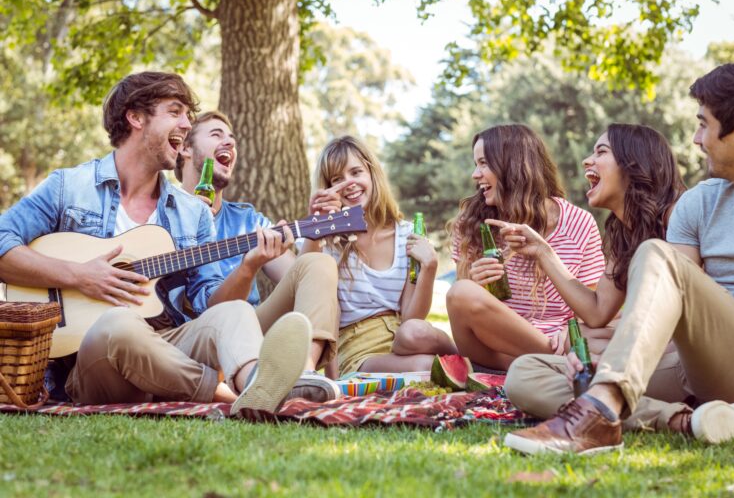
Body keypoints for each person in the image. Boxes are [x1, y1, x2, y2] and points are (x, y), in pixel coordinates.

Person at [0, 72, 313, 418]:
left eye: (188, 116)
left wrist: (248, 267)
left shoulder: (192, 212)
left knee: (234, 311)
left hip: (164, 349)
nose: (186, 124)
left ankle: (257, 381)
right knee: (118, 323)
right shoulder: (70, 187)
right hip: (92, 363)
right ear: (135, 117)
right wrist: (79, 276)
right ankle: (225, 395)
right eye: (175, 111)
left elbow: (209, 303)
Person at [504, 61, 734, 455]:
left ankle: (602, 410)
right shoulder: (699, 204)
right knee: (525, 373)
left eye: (703, 124)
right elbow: (675, 314)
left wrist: (604, 344)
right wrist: (602, 355)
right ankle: (686, 420)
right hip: (697, 373)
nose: (696, 139)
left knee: (654, 253)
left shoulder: (672, 215)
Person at [503, 124, 696, 433]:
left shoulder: (680, 217)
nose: (587, 161)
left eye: (601, 152)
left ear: (635, 164)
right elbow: (595, 311)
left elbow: (694, 325)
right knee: (523, 373)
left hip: (689, 362)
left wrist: (611, 356)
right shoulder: (623, 233)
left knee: (590, 354)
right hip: (648, 366)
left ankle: (623, 401)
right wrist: (543, 252)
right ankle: (682, 419)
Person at [175, 110, 341, 400]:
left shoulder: (248, 220)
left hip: (253, 335)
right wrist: (247, 268)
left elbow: (300, 277)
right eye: (216, 134)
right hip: (193, 342)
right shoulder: (163, 212)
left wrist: (313, 237)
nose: (229, 143)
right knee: (233, 315)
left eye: (232, 138)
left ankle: (304, 375)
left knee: (319, 264)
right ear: (185, 148)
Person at [446, 124, 605, 371]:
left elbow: (591, 308)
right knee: (461, 292)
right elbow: (464, 307)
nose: (475, 175)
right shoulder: (471, 224)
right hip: (493, 348)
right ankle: (561, 365)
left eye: (484, 163)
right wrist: (475, 281)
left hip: (555, 341)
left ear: (513, 167)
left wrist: (571, 330)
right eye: (476, 164)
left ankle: (533, 365)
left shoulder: (578, 223)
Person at [301, 135, 458, 376]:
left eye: (356, 172)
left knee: (415, 331)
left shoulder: (405, 234)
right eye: (337, 179)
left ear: (372, 174)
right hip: (358, 352)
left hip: (403, 340)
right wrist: (334, 381)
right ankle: (456, 366)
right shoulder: (328, 242)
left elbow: (411, 316)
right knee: (427, 367)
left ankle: (466, 359)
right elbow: (310, 292)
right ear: (327, 189)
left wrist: (430, 268)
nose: (349, 183)